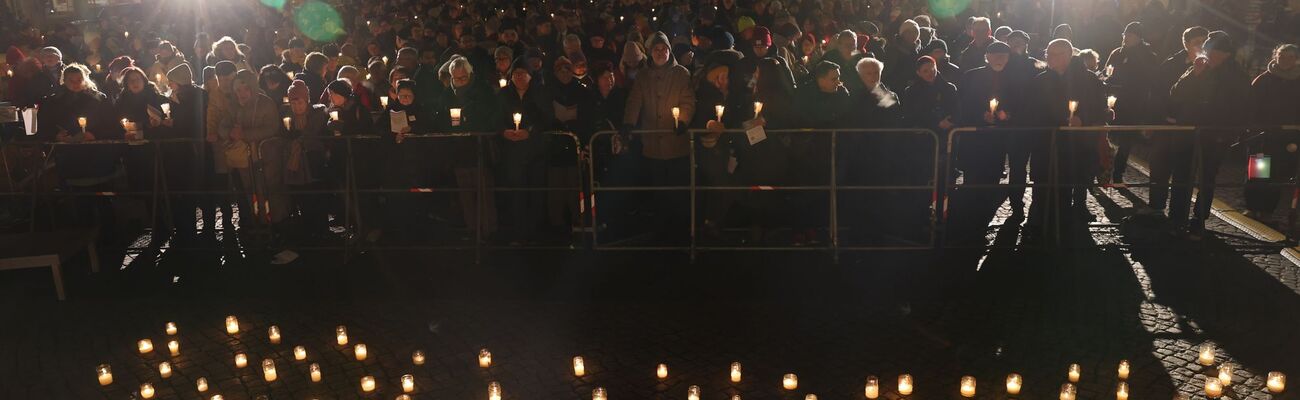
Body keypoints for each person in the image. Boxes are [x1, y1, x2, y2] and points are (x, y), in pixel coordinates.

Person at [1024, 39, 1111, 236]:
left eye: (1054, 54)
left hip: (1076, 146)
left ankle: (1063, 227)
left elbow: (1100, 109)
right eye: (1048, 54)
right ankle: (1039, 222)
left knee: (1067, 184)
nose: (1049, 58)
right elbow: (1031, 110)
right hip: (1046, 144)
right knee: (1042, 184)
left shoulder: (1089, 80)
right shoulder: (1040, 80)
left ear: (1067, 56)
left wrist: (1083, 119)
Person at [1170, 31, 1251, 239]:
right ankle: (1176, 217)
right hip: (1189, 131)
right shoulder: (1199, 68)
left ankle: (1199, 219)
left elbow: (1239, 107)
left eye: (1212, 51)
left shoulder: (1237, 76)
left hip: (1216, 134)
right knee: (1182, 174)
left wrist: (1228, 131)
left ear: (1224, 54)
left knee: (1206, 176)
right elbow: (1176, 93)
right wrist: (1194, 74)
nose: (1208, 54)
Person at [620, 31, 695, 241]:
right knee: (659, 189)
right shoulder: (643, 76)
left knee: (678, 188)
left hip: (675, 142)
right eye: (657, 49)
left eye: (664, 49)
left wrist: (683, 120)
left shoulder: (682, 74)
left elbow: (688, 101)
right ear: (651, 52)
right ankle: (661, 229)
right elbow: (634, 101)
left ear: (669, 51)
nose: (661, 52)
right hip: (653, 144)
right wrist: (628, 123)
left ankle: (679, 229)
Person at [36, 64, 124, 234]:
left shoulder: (98, 99)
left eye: (79, 80)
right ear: (64, 81)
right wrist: (56, 136)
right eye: (71, 80)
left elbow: (113, 126)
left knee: (103, 199)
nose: (76, 84)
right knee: (79, 202)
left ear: (85, 80)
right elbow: (44, 128)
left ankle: (110, 235)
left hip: (98, 159)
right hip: (72, 160)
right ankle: (84, 237)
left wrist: (94, 134)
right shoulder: (53, 102)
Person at [1143, 26, 1208, 221]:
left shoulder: (1211, 67)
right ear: (1186, 44)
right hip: (1167, 125)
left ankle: (1178, 214)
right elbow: (1157, 94)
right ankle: (1156, 207)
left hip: (1191, 129)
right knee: (1160, 168)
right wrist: (1155, 120)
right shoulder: (1171, 65)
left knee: (1185, 173)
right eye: (1197, 42)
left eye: (1205, 42)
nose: (1202, 46)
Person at [436, 56, 499, 239]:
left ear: (470, 75)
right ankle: (472, 229)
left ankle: (489, 229)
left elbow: (491, 116)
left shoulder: (483, 91)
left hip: (479, 146)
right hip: (458, 150)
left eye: (463, 78)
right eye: (456, 78)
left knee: (483, 190)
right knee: (465, 192)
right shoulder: (447, 94)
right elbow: (440, 118)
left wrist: (471, 121)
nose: (460, 82)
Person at [497, 59, 553, 243]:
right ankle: (519, 231)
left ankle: (536, 231)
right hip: (513, 151)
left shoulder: (540, 94)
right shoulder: (504, 94)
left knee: (536, 190)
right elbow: (495, 117)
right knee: (517, 191)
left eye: (523, 73)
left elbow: (547, 119)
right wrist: (503, 131)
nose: (519, 77)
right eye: (516, 74)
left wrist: (529, 132)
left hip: (535, 150)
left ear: (530, 75)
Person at [1244, 44, 1300, 219]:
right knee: (1259, 171)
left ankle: (1268, 209)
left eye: (1291, 57)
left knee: (1277, 174)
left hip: (1286, 138)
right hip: (1263, 136)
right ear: (1276, 56)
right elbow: (1252, 106)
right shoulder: (1263, 80)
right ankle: (1253, 206)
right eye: (1283, 55)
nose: (1286, 60)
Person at [1104, 21, 1158, 183]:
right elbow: (1108, 72)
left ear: (1138, 37)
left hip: (1133, 103)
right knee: (1107, 136)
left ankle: (1118, 173)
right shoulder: (1117, 53)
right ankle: (1105, 169)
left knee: (1126, 140)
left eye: (1130, 35)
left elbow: (1149, 80)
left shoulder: (1148, 56)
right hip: (1113, 100)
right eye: (1125, 35)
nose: (1126, 38)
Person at [162, 63, 209, 243]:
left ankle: (191, 230)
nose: (169, 85)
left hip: (190, 149)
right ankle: (197, 228)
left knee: (190, 190)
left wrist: (173, 124)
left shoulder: (185, 97)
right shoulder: (190, 95)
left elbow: (190, 122)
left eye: (171, 81)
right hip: (190, 149)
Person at [282, 80, 331, 238]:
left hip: (313, 162)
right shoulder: (287, 117)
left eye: (300, 102)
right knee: (302, 199)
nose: (297, 107)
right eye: (293, 103)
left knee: (317, 198)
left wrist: (299, 139)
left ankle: (322, 231)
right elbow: (283, 138)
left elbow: (313, 133)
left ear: (307, 100)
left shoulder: (318, 112)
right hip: (297, 167)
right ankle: (308, 231)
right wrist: (290, 139)